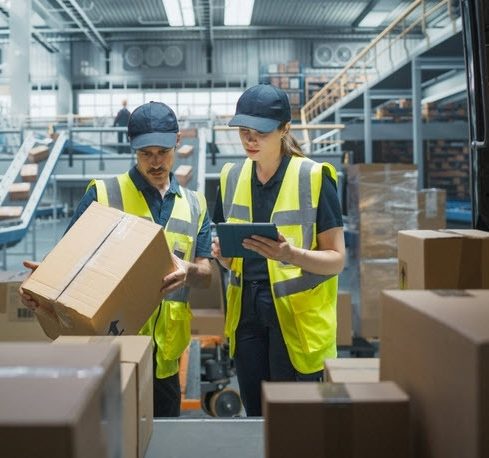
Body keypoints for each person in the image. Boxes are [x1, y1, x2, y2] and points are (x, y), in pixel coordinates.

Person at [20, 101, 213, 418]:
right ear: (132, 148)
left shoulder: (196, 205)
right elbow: (64, 263)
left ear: (178, 141)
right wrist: (46, 281)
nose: (154, 162)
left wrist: (190, 271)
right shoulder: (103, 194)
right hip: (112, 346)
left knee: (159, 441)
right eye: (145, 153)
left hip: (165, 354)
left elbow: (205, 274)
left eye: (162, 152)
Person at [211, 83, 346, 416]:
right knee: (256, 414)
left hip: (294, 316)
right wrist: (223, 258)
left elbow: (337, 259)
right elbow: (229, 257)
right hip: (246, 314)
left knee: (292, 418)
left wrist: (291, 255)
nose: (250, 141)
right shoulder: (230, 177)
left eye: (261, 132)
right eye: (244, 132)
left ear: (285, 128)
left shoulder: (314, 178)